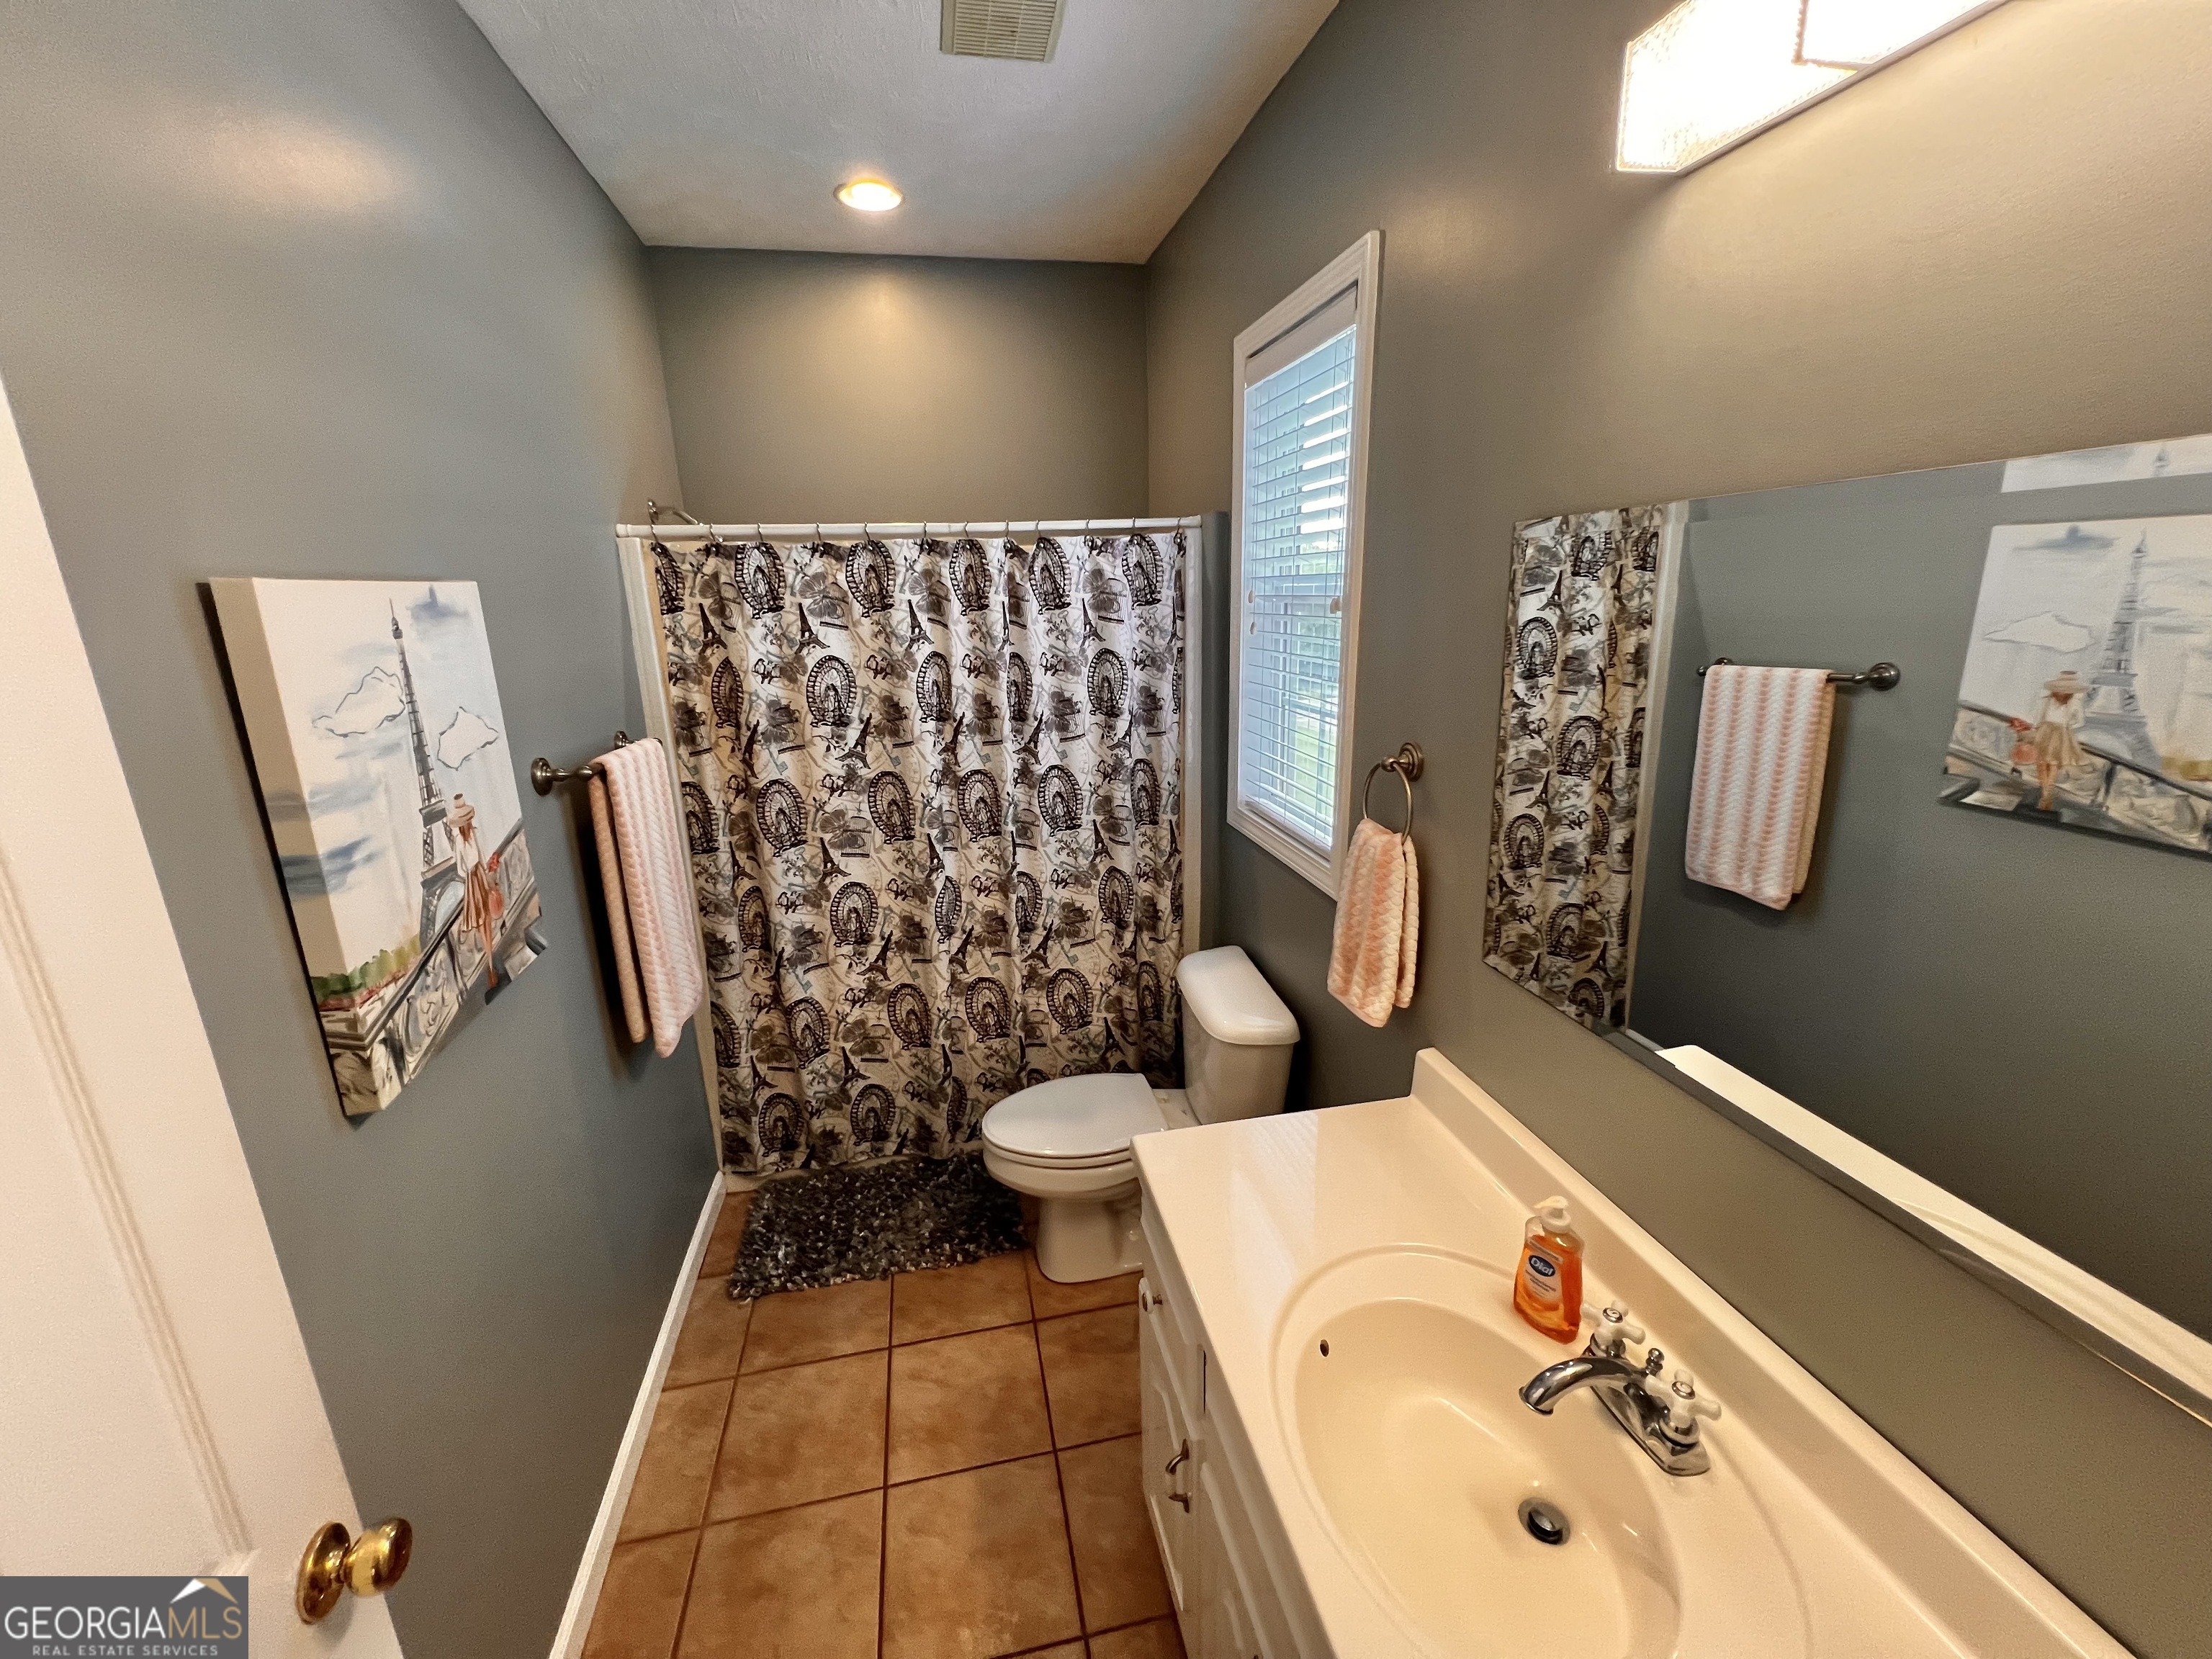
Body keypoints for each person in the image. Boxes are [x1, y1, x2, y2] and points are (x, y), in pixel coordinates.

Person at [449, 793, 506, 987]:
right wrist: (472, 872)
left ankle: (490, 965)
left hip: (478, 877)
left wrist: (483, 876)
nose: (467, 823)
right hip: (474, 880)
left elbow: (477, 858)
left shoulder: (473, 833)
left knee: (487, 922)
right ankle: (491, 966)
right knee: (483, 923)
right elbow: (461, 867)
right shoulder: (459, 841)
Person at [2030, 670, 2090, 811]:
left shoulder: (2074, 703)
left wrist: (2067, 726)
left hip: (2059, 733)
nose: (2064, 691)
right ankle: (2046, 794)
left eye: (2067, 689)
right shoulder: (2047, 700)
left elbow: (2079, 721)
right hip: (2045, 731)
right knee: (2041, 763)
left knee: (2053, 764)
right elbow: (2039, 717)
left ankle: (2047, 795)